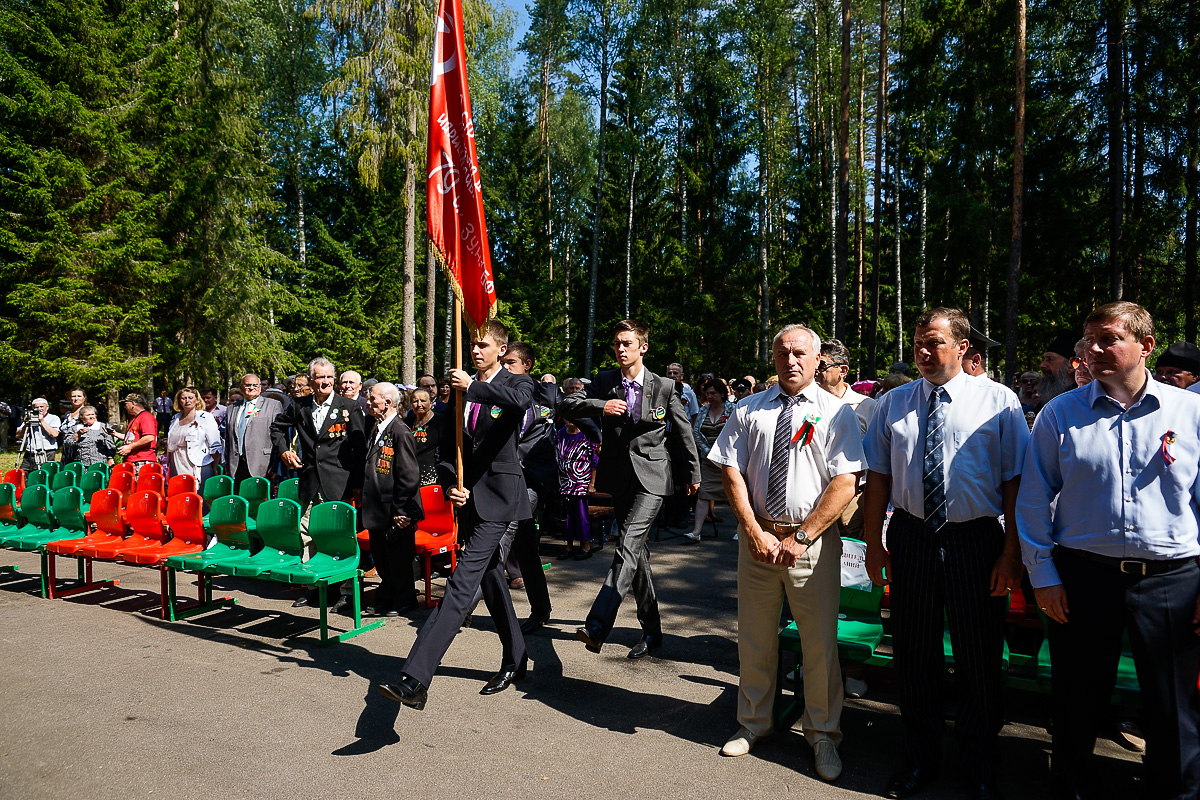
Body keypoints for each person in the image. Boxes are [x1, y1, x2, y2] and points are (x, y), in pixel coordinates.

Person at [1016, 302, 1200, 800]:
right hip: (1083, 576)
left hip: (1170, 579)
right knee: (1077, 699)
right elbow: (1034, 497)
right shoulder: (1061, 412)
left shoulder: (1190, 413)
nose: (1093, 350)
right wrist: (1044, 575)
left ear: (1146, 345)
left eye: (1109, 339)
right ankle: (1073, 787)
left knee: (1171, 706)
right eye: (1089, 341)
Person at [862, 306, 1029, 800]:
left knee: (978, 655)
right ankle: (919, 757)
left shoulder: (999, 402)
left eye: (934, 341)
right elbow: (878, 477)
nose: (923, 351)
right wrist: (875, 543)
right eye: (917, 342)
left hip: (975, 541)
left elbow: (1017, 481)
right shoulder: (893, 403)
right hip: (912, 536)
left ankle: (979, 762)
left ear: (962, 347)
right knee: (915, 654)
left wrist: (1011, 554)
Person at [709, 323, 864, 781]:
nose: (790, 361)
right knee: (755, 639)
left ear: (818, 360)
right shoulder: (748, 409)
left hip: (810, 545)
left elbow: (845, 481)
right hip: (757, 542)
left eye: (800, 353)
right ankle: (754, 723)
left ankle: (822, 736)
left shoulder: (837, 414)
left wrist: (803, 536)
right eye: (782, 353)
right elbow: (731, 473)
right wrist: (754, 531)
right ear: (772, 358)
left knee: (818, 647)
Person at [377, 321, 534, 708]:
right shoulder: (455, 401)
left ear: (501, 350)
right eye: (473, 344)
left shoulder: (515, 384)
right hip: (468, 501)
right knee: (493, 579)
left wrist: (473, 387)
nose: (476, 350)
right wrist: (451, 486)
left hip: (501, 501)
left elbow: (519, 405)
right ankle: (517, 657)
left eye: (483, 345)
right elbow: (447, 452)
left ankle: (415, 679)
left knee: (460, 586)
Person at [559, 320, 702, 658]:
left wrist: (694, 473)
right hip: (619, 478)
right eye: (616, 344)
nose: (621, 349)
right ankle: (652, 632)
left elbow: (683, 433)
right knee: (637, 556)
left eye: (627, 343)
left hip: (654, 478)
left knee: (627, 544)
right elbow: (565, 405)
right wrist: (599, 406)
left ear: (643, 347)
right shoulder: (605, 381)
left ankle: (597, 625)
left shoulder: (665, 386)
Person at [272, 357, 367, 610]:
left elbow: (360, 449)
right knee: (307, 534)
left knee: (340, 535)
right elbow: (277, 428)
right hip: (310, 480)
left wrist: (358, 483)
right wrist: (284, 452)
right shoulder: (299, 406)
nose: (325, 382)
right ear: (310, 381)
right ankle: (315, 586)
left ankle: (347, 591)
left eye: (328, 377)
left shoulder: (349, 407)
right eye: (319, 377)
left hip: (340, 482)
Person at [496, 341, 557, 634]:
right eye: (503, 363)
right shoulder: (501, 395)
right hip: (504, 479)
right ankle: (541, 609)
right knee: (526, 548)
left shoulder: (543, 396)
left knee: (503, 535)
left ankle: (462, 605)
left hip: (532, 480)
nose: (505, 368)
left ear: (527, 366)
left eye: (510, 363)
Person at [362, 382, 424, 617]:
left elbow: (409, 476)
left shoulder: (400, 431)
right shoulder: (378, 427)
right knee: (383, 558)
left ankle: (405, 600)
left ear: (387, 402)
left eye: (372, 399)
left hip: (396, 510)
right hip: (378, 507)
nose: (368, 403)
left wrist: (402, 509)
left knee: (398, 560)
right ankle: (386, 597)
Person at [686, 378, 735, 542]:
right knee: (704, 494)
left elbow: (738, 433)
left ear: (722, 393)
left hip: (729, 460)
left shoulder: (733, 410)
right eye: (707, 393)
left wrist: (722, 455)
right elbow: (697, 433)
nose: (709, 396)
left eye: (713, 393)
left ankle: (739, 531)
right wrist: (709, 452)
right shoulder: (703, 410)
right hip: (708, 460)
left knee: (735, 495)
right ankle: (696, 531)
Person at [225, 374, 284, 486]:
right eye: (248, 385)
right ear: (241, 388)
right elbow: (228, 440)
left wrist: (276, 464)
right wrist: (227, 465)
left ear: (260, 387)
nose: (251, 388)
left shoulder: (273, 405)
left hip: (262, 464)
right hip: (236, 465)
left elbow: (279, 436)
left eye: (255, 385)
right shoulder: (231, 409)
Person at [555, 419, 599, 559]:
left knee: (581, 515)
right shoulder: (561, 433)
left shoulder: (587, 434)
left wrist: (592, 484)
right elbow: (556, 455)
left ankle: (585, 546)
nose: (568, 419)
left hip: (581, 480)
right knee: (567, 516)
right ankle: (568, 547)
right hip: (565, 480)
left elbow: (594, 462)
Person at [815, 339, 876, 434]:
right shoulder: (805, 403)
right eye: (813, 364)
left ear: (843, 371)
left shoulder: (867, 406)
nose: (815, 370)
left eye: (821, 365)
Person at [165, 387, 223, 483]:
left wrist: (215, 467)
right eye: (183, 398)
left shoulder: (205, 417)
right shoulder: (175, 418)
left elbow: (215, 445)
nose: (187, 401)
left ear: (197, 400)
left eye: (190, 398)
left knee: (195, 494)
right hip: (177, 462)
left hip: (197, 464)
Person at [407, 387, 452, 486]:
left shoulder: (441, 422)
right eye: (415, 401)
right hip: (409, 475)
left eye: (423, 401)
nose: (419, 405)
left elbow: (446, 451)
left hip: (432, 477)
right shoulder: (407, 422)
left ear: (431, 403)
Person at [15, 397, 61, 470]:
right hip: (30, 453)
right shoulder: (29, 417)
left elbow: (54, 434)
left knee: (42, 474)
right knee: (25, 474)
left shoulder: (54, 418)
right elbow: (17, 435)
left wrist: (42, 421)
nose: (39, 409)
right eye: (36, 407)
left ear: (47, 407)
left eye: (41, 407)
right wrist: (26, 424)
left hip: (46, 452)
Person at [1038, 330, 1078, 408]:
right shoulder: (1046, 400)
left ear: (1071, 365)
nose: (1042, 365)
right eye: (1043, 360)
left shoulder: (1079, 400)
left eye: (1050, 359)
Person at [117, 394, 158, 466]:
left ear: (133, 403)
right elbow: (132, 438)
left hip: (142, 460)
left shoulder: (146, 417)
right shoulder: (134, 418)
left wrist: (130, 447)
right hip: (132, 460)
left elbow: (149, 437)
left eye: (126, 404)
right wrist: (114, 433)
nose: (125, 407)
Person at [57, 388, 88, 463]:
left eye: (79, 396)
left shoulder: (88, 412)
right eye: (73, 396)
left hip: (80, 450)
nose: (76, 399)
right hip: (67, 449)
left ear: (84, 398)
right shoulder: (68, 414)